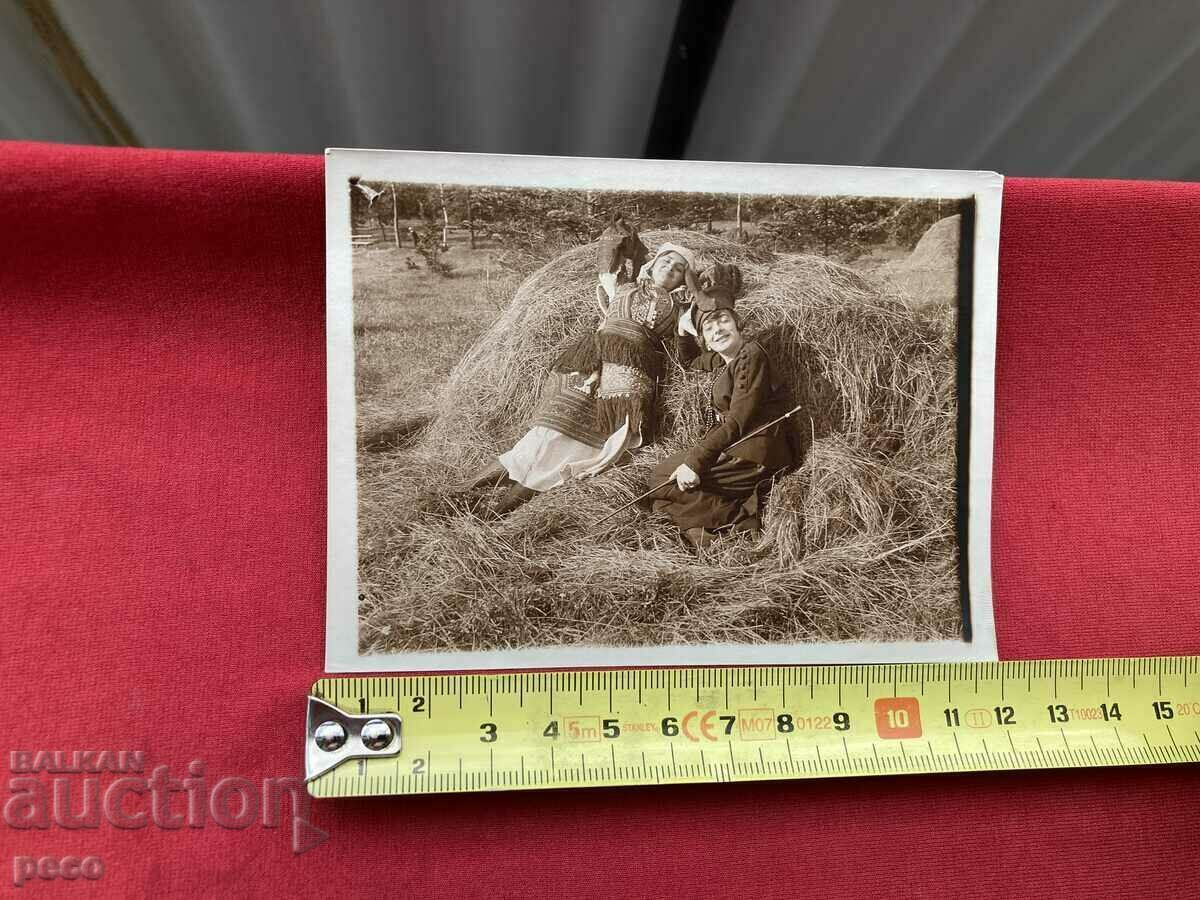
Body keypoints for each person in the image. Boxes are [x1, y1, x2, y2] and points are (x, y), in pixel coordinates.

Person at [453, 227, 698, 515]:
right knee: (547, 434)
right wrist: (623, 237)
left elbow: (688, 344)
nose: (670, 269)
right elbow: (610, 252)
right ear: (653, 263)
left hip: (630, 377)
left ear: (684, 279)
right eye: (666, 262)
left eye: (679, 269)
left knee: (583, 449)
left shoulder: (681, 307)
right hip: (591, 362)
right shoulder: (624, 285)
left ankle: (497, 512)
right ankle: (463, 492)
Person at [642, 274, 799, 549]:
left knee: (661, 481)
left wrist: (695, 462)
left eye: (724, 320)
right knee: (662, 494)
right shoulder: (726, 358)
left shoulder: (751, 355)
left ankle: (739, 521)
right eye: (709, 327)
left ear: (738, 325)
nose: (718, 330)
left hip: (757, 452)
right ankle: (702, 530)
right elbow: (690, 360)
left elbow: (738, 420)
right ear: (705, 339)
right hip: (739, 449)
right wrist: (681, 330)